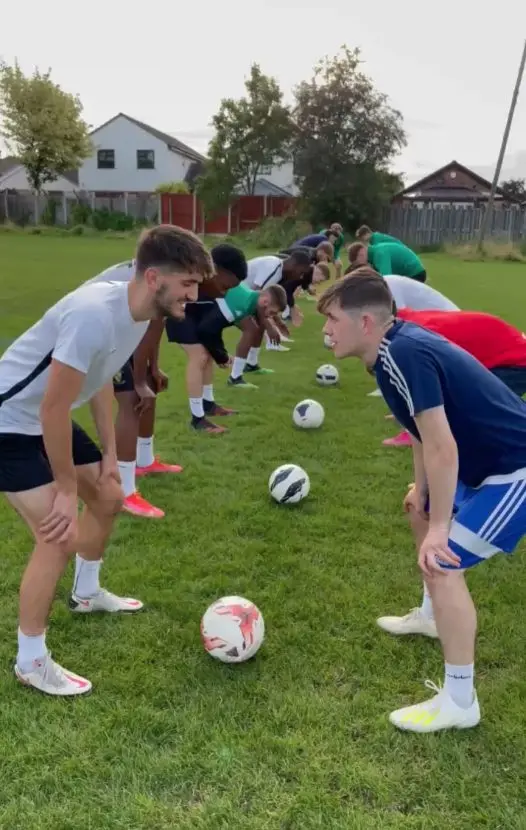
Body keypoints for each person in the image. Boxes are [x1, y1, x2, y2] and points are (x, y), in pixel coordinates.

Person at [0, 224, 212, 696]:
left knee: (111, 494)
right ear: (155, 277)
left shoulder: (136, 312)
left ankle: (87, 593)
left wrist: (110, 454)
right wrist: (67, 489)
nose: (192, 296)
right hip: (9, 422)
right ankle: (30, 661)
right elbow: (52, 407)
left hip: (42, 416)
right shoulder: (94, 313)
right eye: (188, 284)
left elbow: (96, 379)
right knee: (57, 534)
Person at [317, 271, 526, 732]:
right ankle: (432, 618)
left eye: (332, 319)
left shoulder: (403, 352)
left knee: (445, 560)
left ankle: (459, 701)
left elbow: (441, 445)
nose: (325, 330)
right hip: (485, 468)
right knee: (421, 509)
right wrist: (425, 495)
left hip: (515, 472)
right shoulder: (389, 352)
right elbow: (420, 432)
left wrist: (439, 531)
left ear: (366, 322)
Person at [83, 260, 182, 520]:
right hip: (95, 325)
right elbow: (148, 326)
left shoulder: (168, 274)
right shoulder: (164, 278)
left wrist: (153, 368)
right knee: (132, 397)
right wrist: (138, 380)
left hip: (117, 323)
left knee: (149, 384)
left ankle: (145, 461)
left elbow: (155, 326)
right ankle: (124, 492)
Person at [166, 245, 288, 433]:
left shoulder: (223, 292)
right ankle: (198, 420)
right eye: (225, 287)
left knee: (206, 355)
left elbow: (211, 329)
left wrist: (219, 354)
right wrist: (222, 356)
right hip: (180, 313)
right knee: (199, 357)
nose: (225, 293)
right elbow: (208, 330)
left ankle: (208, 405)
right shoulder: (236, 302)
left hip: (194, 315)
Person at [227, 251, 312, 386]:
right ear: (295, 265)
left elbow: (266, 303)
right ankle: (235, 377)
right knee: (251, 329)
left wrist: (277, 322)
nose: (300, 276)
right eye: (301, 272)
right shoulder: (273, 268)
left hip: (244, 296)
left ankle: (251, 364)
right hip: (234, 294)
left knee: (258, 326)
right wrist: (270, 326)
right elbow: (260, 297)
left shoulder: (281, 271)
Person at [348, 240, 427, 283]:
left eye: (358, 264)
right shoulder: (374, 254)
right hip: (408, 274)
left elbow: (387, 279)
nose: (360, 267)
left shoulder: (379, 254)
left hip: (415, 273)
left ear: (361, 254)